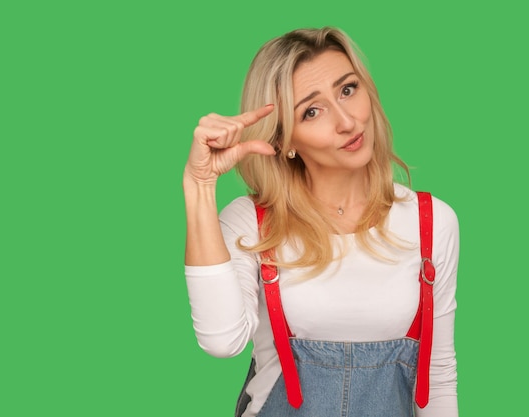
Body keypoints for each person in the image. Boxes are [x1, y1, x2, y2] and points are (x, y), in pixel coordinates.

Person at [183, 27, 459, 417]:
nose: (347, 121)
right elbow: (221, 340)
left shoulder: (432, 223)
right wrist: (199, 185)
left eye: (347, 90)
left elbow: (438, 376)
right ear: (285, 141)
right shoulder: (253, 223)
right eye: (312, 111)